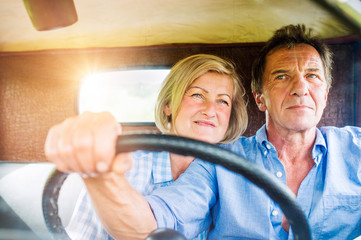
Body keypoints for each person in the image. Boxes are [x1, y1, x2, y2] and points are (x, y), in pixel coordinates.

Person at [46, 24, 361, 240]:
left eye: (312, 76)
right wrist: (102, 174)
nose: (300, 88)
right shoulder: (220, 161)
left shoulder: (356, 149)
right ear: (260, 98)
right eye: (282, 76)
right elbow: (152, 224)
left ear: (327, 92)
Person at [45, 53, 249, 239]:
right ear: (168, 104)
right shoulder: (124, 166)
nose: (210, 110)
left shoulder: (232, 180)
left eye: (223, 101)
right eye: (197, 95)